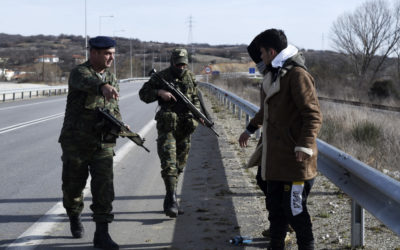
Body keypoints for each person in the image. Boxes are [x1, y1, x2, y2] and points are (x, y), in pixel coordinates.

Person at [239, 29, 322, 250]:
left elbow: (313, 115)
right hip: (275, 158)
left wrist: (304, 145)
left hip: (295, 160)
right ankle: (275, 245)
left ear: (272, 51)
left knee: (295, 210)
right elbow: (267, 110)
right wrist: (250, 128)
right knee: (275, 208)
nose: (260, 58)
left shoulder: (297, 75)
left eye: (262, 53)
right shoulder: (274, 74)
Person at [58, 36, 120, 250]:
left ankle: (101, 234)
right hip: (76, 141)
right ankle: (74, 215)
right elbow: (88, 82)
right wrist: (102, 85)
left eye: (112, 53)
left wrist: (121, 124)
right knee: (73, 186)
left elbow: (114, 107)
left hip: (102, 142)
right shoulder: (79, 72)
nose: (111, 57)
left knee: (104, 187)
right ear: (93, 53)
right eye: (106, 53)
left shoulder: (112, 77)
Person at [139, 48, 201, 218]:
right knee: (169, 163)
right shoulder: (161, 77)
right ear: (172, 62)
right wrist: (160, 92)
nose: (180, 67)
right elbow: (143, 94)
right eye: (178, 63)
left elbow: (195, 97)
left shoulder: (190, 77)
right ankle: (172, 198)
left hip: (186, 127)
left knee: (180, 164)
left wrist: (198, 116)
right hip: (167, 126)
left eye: (183, 64)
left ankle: (170, 196)